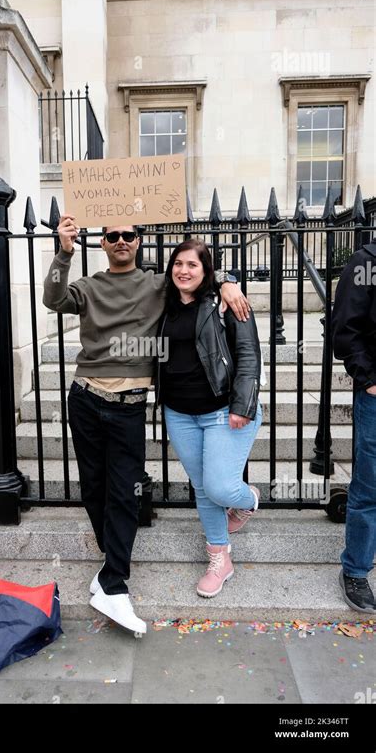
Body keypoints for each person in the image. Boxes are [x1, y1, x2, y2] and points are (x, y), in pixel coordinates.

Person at [43, 217, 251, 633]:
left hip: (129, 405)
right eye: (112, 235)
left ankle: (114, 583)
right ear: (102, 242)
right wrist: (64, 252)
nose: (121, 240)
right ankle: (111, 564)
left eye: (129, 235)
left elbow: (197, 274)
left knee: (123, 491)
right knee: (94, 488)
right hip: (85, 397)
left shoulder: (158, 284)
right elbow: (53, 299)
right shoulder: (88, 285)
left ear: (138, 242)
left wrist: (228, 281)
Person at [156, 239, 262, 598]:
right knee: (203, 488)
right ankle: (220, 559)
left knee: (220, 487)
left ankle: (249, 500)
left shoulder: (225, 302)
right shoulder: (163, 303)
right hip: (179, 412)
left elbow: (248, 354)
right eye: (178, 264)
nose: (183, 271)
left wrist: (242, 405)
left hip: (221, 411)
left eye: (192, 265)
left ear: (206, 272)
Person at [331, 237, 376, 614]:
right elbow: (345, 330)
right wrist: (369, 378)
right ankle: (356, 570)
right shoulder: (366, 262)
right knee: (369, 485)